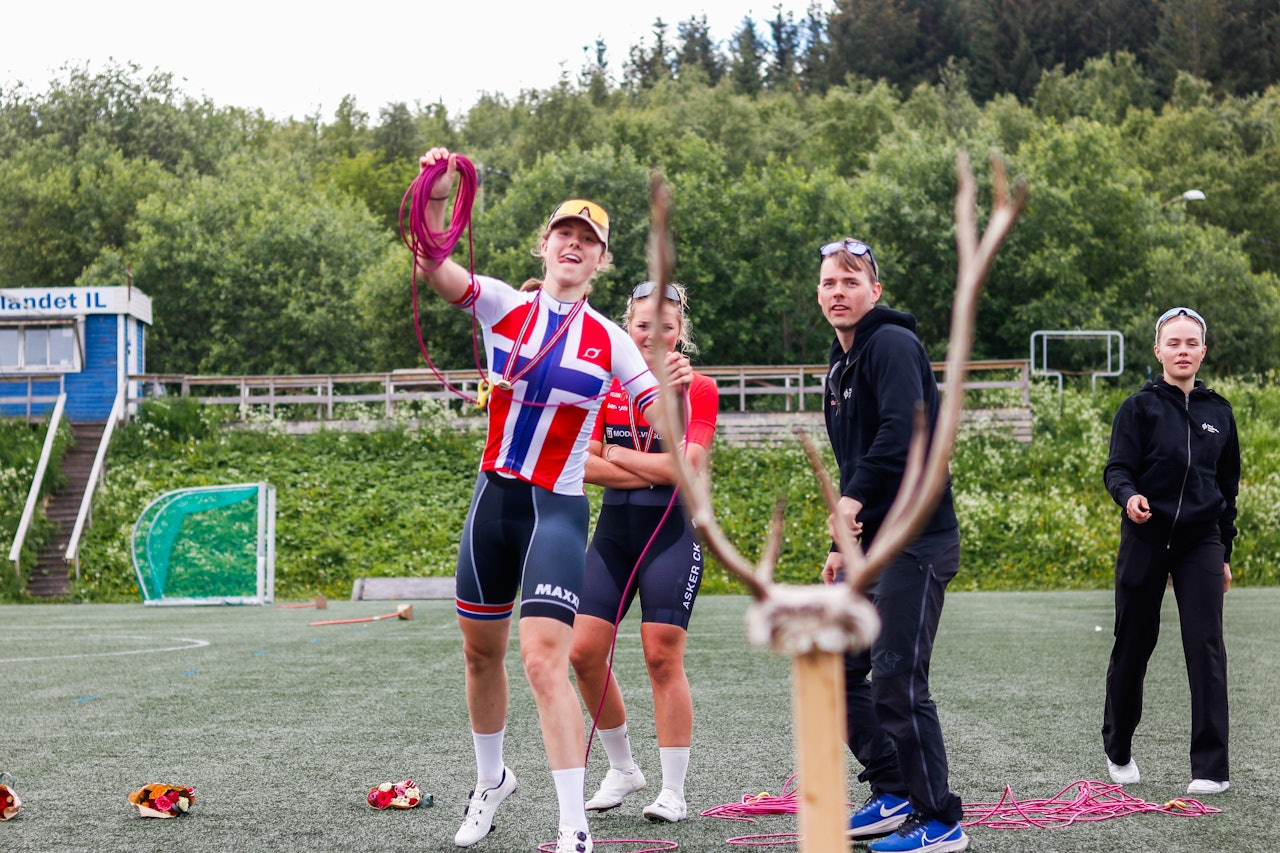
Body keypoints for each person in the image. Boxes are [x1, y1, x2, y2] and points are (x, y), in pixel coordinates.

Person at [414, 147, 692, 853]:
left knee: (543, 661)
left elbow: (663, 420)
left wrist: (673, 392)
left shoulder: (612, 341)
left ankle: (574, 826)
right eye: (565, 233)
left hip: (558, 511)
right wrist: (438, 195)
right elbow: (435, 265)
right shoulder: (503, 305)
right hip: (493, 500)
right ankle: (491, 782)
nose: (574, 244)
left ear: (600, 260)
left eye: (588, 239)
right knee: (480, 655)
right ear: (545, 245)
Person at [816, 238, 969, 853]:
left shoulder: (892, 344)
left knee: (898, 679)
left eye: (851, 281)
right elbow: (854, 456)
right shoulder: (842, 359)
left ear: (874, 291)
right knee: (836, 668)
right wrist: (843, 542)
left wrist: (852, 500)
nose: (839, 292)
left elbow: (905, 431)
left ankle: (939, 820)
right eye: (829, 283)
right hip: (873, 546)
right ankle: (895, 789)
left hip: (917, 540)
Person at [569, 281, 718, 824]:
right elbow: (580, 465)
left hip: (670, 536)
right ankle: (623, 768)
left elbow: (686, 469)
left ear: (680, 334)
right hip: (613, 535)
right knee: (583, 653)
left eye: (666, 327)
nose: (653, 335)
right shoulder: (604, 384)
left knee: (661, 656)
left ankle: (673, 790)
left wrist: (614, 453)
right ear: (626, 327)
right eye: (641, 325)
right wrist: (651, 469)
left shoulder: (698, 389)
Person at [1101, 306, 1238, 796]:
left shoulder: (1219, 412)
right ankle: (1118, 747)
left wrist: (1224, 552)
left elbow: (1227, 488)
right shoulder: (1138, 408)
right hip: (1146, 536)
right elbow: (1117, 469)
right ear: (1158, 350)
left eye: (1191, 343)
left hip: (1200, 542)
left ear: (1203, 351)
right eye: (1174, 343)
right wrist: (1129, 497)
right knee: (1134, 644)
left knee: (1206, 648)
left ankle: (1211, 768)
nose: (1183, 351)